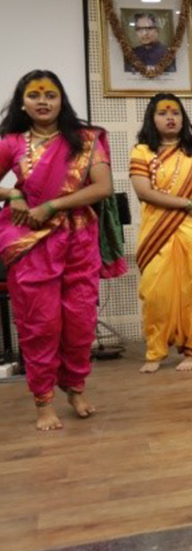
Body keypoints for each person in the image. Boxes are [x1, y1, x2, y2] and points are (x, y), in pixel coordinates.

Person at [0, 70, 117, 430]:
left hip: (77, 238)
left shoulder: (84, 139)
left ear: (61, 100)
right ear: (22, 103)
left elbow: (103, 187)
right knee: (41, 324)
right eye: (34, 95)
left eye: (50, 95)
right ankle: (43, 401)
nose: (43, 101)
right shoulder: (11, 142)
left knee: (80, 320)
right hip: (31, 241)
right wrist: (13, 193)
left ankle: (75, 387)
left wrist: (52, 206)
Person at [129, 93, 192, 372]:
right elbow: (143, 192)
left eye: (176, 113)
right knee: (156, 293)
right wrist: (187, 204)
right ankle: (155, 351)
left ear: (184, 119)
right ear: (152, 119)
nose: (170, 118)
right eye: (162, 113)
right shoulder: (142, 152)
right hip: (159, 229)